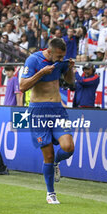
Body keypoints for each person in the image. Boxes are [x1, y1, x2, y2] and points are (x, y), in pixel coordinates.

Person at [20, 38, 75, 204]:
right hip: (38, 112)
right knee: (48, 155)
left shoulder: (60, 61)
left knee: (68, 147)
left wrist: (70, 69)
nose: (60, 59)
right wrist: (42, 72)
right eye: (58, 56)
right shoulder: (33, 60)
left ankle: (57, 162)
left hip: (58, 110)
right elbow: (22, 86)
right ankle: (51, 193)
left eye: (62, 56)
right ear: (49, 51)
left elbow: (70, 81)